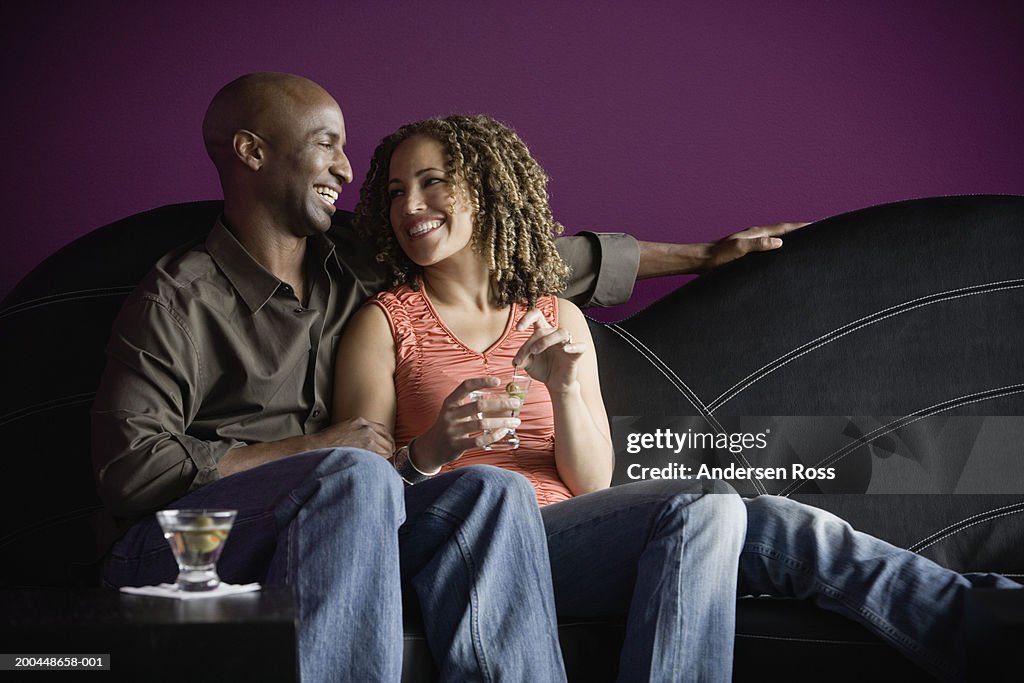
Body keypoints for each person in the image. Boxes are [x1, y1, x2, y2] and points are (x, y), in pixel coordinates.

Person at [90, 72, 797, 683]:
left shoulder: (347, 259)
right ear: (252, 150)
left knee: (498, 487)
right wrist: (322, 448)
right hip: (192, 538)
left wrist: (702, 255)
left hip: (337, 522)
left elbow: (527, 250)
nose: (346, 170)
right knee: (355, 474)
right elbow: (130, 469)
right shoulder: (177, 296)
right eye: (326, 144)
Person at [337, 113, 1020, 682]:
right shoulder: (384, 323)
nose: (409, 207)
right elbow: (357, 493)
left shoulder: (554, 315)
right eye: (395, 192)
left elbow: (590, 481)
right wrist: (431, 449)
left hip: (569, 543)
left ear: (483, 190)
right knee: (707, 501)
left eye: (432, 183)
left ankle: (994, 632)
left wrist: (570, 386)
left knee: (778, 526)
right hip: (466, 542)